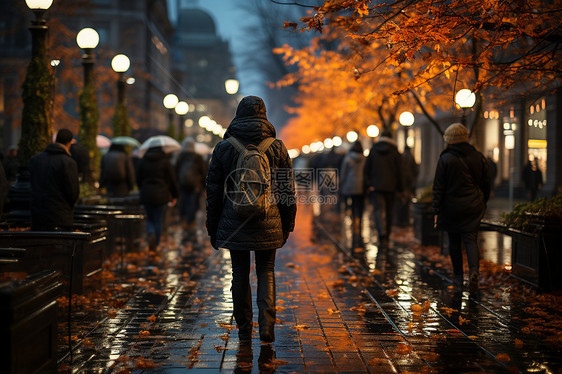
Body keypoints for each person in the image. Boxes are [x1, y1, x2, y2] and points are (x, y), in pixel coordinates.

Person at [206, 96, 297, 343]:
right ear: (264, 116)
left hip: (234, 221)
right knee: (266, 271)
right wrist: (287, 223)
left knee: (239, 273)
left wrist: (212, 227)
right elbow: (287, 190)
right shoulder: (277, 147)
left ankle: (244, 329)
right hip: (269, 218)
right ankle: (267, 327)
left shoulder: (225, 148)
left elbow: (213, 192)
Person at [432, 123, 490, 292]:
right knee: (471, 240)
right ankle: (474, 272)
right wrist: (482, 201)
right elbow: (486, 183)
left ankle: (458, 277)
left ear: (449, 140)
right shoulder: (478, 157)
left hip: (451, 207)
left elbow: (438, 187)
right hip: (473, 205)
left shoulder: (445, 159)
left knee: (454, 242)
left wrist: (436, 208)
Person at [29, 129, 80, 231]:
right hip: (60, 217)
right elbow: (73, 191)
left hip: (38, 216)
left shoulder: (35, 160)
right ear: (69, 142)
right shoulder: (68, 163)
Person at [363, 130, 403, 246]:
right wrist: (401, 188)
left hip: (376, 186)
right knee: (389, 211)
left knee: (378, 210)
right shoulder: (395, 151)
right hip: (391, 187)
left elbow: (366, 169)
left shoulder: (373, 150)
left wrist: (368, 184)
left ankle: (382, 233)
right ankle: (388, 233)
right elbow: (400, 171)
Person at [136, 146, 179, 250]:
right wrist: (175, 195)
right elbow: (172, 179)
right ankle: (156, 243)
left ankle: (150, 233)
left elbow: (138, 178)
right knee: (158, 219)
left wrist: (141, 188)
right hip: (161, 194)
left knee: (149, 218)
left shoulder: (143, 161)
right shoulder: (165, 161)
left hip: (146, 193)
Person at [175, 137, 206, 241]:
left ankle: (184, 219)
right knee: (192, 203)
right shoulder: (197, 157)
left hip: (183, 184)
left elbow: (176, 171)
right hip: (195, 185)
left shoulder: (180, 157)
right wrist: (203, 186)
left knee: (184, 201)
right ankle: (190, 221)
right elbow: (203, 171)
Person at [340, 140, 366, 249]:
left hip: (350, 186)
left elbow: (344, 173)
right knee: (360, 205)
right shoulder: (364, 159)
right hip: (362, 186)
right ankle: (358, 222)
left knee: (352, 204)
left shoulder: (348, 158)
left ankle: (354, 221)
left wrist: (341, 183)